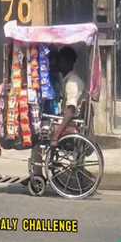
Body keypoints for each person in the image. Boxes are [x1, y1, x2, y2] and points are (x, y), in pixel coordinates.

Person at [31, 46, 84, 177]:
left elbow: (70, 111)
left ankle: (37, 174)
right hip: (70, 124)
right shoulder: (68, 80)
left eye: (60, 60)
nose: (57, 63)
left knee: (37, 134)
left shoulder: (72, 83)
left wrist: (56, 135)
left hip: (70, 127)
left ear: (67, 62)